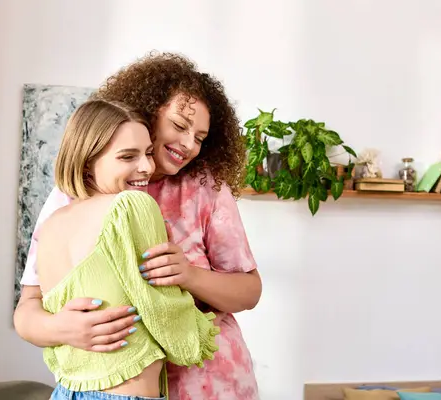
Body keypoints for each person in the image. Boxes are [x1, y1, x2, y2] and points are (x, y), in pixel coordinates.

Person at [14, 52, 262, 400]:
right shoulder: (73, 194)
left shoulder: (206, 188)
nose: (189, 144)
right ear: (148, 113)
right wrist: (59, 328)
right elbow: (28, 306)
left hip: (210, 381)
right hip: (120, 385)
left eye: (201, 137)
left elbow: (250, 291)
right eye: (179, 126)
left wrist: (189, 276)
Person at [38, 98, 220, 400]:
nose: (147, 167)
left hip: (66, 391)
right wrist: (202, 335)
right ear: (87, 162)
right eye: (127, 157)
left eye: (148, 153)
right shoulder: (131, 205)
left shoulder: (53, 224)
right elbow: (165, 315)